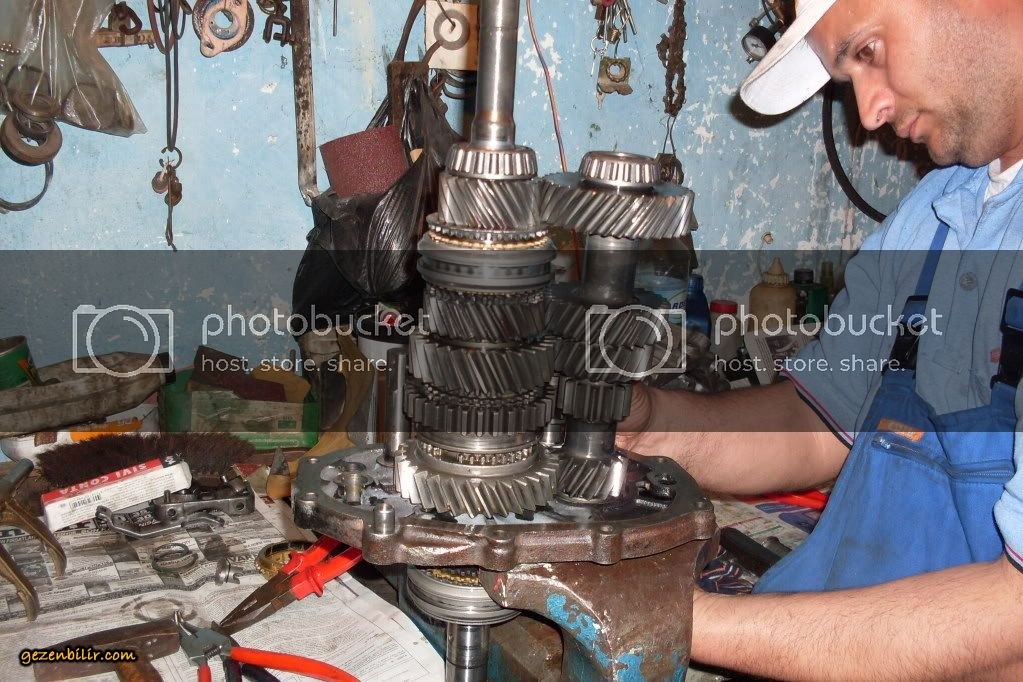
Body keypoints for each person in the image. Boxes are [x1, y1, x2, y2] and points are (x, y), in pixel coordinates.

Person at [617, 0, 1023, 678]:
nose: (868, 113)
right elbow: (819, 424)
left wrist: (665, 619)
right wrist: (643, 424)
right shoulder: (939, 207)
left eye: (867, 51)